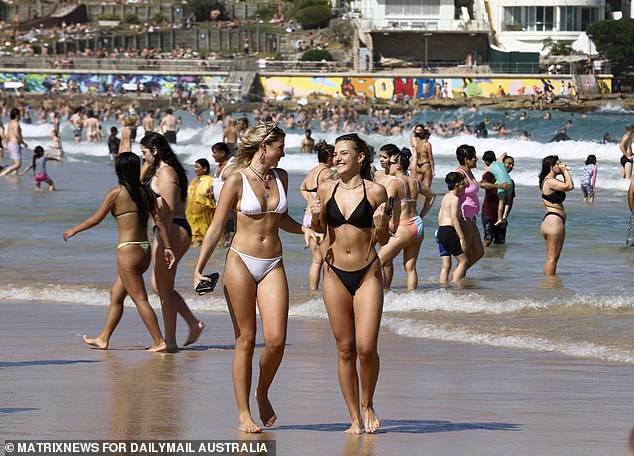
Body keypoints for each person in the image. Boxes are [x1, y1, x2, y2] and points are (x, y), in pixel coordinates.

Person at [194, 121, 319, 433]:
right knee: (246, 339)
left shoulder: (281, 177)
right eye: (280, 147)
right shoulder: (236, 180)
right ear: (265, 146)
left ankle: (262, 392)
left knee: (276, 340)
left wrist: (304, 228)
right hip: (240, 262)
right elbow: (216, 227)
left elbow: (281, 219)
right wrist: (198, 267)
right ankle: (243, 412)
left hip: (273, 263)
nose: (284, 153)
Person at [310, 133, 389, 434]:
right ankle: (354, 417)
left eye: (344, 153)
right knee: (345, 349)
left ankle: (368, 403)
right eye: (335, 153)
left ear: (360, 158)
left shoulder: (376, 191)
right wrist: (317, 218)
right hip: (334, 273)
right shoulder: (326, 187)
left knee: (366, 347)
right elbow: (319, 229)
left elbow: (384, 238)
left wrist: (381, 225)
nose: (337, 158)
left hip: (367, 271)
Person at [62, 152, 173, 352]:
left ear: (119, 170)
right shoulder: (145, 192)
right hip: (144, 250)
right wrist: (168, 247)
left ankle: (159, 341)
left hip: (127, 251)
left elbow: (96, 219)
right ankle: (103, 338)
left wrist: (74, 230)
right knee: (116, 294)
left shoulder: (116, 193)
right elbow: (159, 221)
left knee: (139, 298)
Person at [140, 132, 205, 352]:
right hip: (169, 230)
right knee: (160, 286)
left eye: (145, 153)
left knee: (164, 289)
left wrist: (165, 243)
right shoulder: (160, 170)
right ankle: (192, 324)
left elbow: (166, 210)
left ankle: (170, 342)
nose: (144, 158)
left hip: (173, 229)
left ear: (155, 151)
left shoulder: (167, 173)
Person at [378, 145, 435, 290]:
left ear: (397, 165)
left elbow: (389, 207)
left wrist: (386, 227)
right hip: (417, 225)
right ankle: (411, 299)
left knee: (378, 262)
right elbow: (431, 196)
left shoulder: (395, 183)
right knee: (410, 267)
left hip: (403, 227)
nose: (388, 166)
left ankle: (381, 294)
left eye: (390, 163)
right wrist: (421, 215)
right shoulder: (415, 181)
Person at [299, 140, 336, 290]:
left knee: (316, 261)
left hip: (308, 216)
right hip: (320, 218)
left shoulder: (312, 171)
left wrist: (310, 199)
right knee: (328, 259)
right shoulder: (328, 173)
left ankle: (313, 293)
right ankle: (329, 293)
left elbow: (302, 188)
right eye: (334, 156)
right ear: (329, 159)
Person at [539, 155, 574, 276]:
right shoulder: (549, 182)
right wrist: (564, 170)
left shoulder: (550, 181)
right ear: (551, 166)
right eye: (558, 163)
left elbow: (566, 185)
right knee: (552, 259)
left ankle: (549, 284)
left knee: (552, 258)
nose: (561, 165)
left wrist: (564, 172)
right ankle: (549, 286)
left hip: (552, 221)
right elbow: (569, 186)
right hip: (553, 222)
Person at [455, 144, 484, 272]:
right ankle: (457, 280)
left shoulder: (469, 171)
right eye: (473, 157)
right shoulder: (459, 174)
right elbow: (452, 195)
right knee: (465, 251)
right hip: (464, 216)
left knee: (478, 252)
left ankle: (457, 274)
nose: (476, 159)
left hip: (471, 216)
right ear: (466, 159)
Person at [436, 172, 469, 284]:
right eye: (463, 184)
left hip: (440, 231)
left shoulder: (446, 196)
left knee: (446, 265)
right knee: (463, 262)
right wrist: (462, 237)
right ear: (456, 185)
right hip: (449, 231)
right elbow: (454, 218)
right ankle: (456, 288)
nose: (464, 186)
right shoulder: (455, 198)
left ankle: (443, 288)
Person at [211, 141, 236, 247]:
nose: (213, 155)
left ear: (223, 153)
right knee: (222, 234)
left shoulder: (229, 168)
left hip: (227, 207)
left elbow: (233, 187)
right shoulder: (219, 166)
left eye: (215, 152)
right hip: (219, 205)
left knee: (225, 234)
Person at [185, 158, 215, 247]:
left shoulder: (210, 180)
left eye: (197, 167)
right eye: (194, 167)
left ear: (205, 168)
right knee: (193, 242)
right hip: (191, 217)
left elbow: (213, 195)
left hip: (204, 217)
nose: (195, 169)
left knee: (205, 241)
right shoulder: (194, 181)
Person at [481, 150, 513, 226]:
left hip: (502, 185)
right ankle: (504, 216)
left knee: (501, 202)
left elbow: (483, 178)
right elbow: (505, 153)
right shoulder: (500, 162)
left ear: (486, 161)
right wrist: (499, 159)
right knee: (508, 201)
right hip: (510, 183)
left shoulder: (489, 168)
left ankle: (499, 219)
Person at [0, 108, 28, 177]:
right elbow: (16, 134)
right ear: (17, 115)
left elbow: (8, 134)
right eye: (20, 115)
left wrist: (6, 144)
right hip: (14, 144)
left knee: (15, 164)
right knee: (18, 164)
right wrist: (23, 143)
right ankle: (3, 174)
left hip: (11, 144)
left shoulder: (10, 123)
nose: (20, 116)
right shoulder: (16, 123)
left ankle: (14, 178)